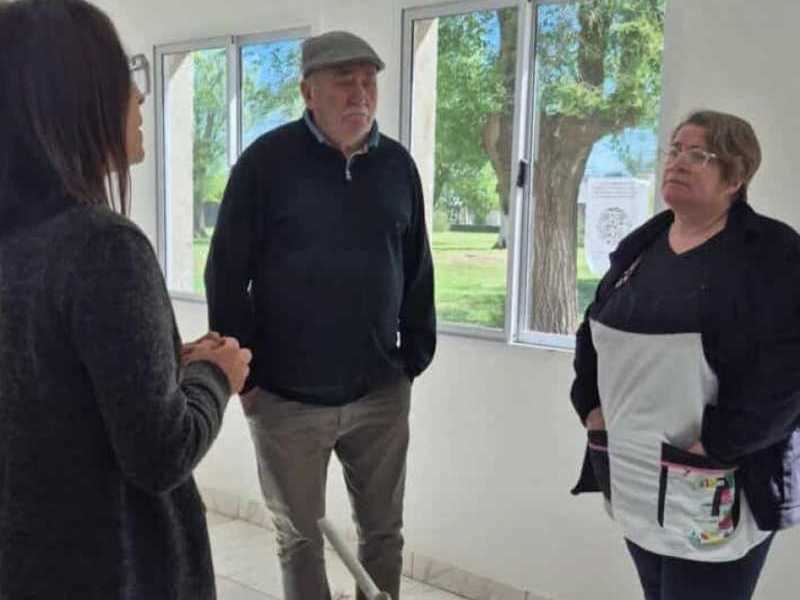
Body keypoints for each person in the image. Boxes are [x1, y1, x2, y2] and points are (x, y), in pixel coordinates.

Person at [0, 1, 252, 598]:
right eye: (124, 79)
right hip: (116, 568)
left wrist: (171, 367)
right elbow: (160, 453)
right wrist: (217, 376)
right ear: (74, 98)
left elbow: (53, 393)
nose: (139, 100)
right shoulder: (102, 247)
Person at [205, 29, 436, 600]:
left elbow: (418, 268)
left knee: (384, 535)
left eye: (368, 82)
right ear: (309, 92)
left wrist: (414, 356)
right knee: (301, 540)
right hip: (286, 400)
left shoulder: (397, 166)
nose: (360, 94)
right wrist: (250, 379)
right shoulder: (266, 164)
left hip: (380, 394)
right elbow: (227, 272)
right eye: (343, 82)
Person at [570, 109, 800, 599]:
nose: (677, 162)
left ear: (735, 177)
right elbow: (593, 331)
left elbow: (789, 373)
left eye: (698, 154)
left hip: (715, 476)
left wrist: (716, 443)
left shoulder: (772, 254)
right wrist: (589, 405)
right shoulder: (641, 246)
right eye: (673, 150)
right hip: (635, 471)